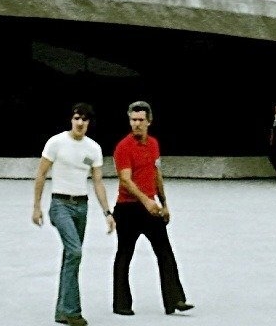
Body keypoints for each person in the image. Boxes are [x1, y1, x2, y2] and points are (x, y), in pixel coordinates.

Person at [33, 103, 115, 326]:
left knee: (71, 257)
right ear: (71, 119)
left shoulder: (93, 149)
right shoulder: (56, 142)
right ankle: (72, 311)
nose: (80, 123)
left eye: (85, 120)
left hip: (81, 206)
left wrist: (107, 212)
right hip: (60, 204)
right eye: (77, 118)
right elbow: (41, 174)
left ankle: (61, 311)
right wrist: (37, 207)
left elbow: (98, 182)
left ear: (89, 123)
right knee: (75, 252)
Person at [113, 101, 193, 316]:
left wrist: (164, 203)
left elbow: (156, 173)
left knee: (165, 252)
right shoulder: (123, 147)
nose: (137, 124)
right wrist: (146, 201)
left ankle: (175, 299)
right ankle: (121, 304)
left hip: (151, 208)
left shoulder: (154, 144)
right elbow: (126, 180)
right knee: (124, 254)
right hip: (128, 208)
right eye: (133, 120)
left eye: (141, 120)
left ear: (149, 121)